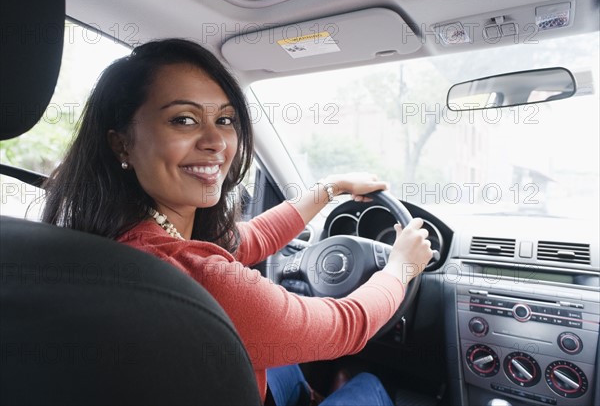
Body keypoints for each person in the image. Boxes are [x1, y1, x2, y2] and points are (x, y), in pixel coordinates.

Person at [42, 39, 433, 405]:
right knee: (370, 386)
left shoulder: (119, 236)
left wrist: (330, 187)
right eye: (184, 119)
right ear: (121, 142)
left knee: (279, 360)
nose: (216, 141)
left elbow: (250, 238)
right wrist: (400, 267)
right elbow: (346, 325)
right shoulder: (203, 277)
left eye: (226, 120)